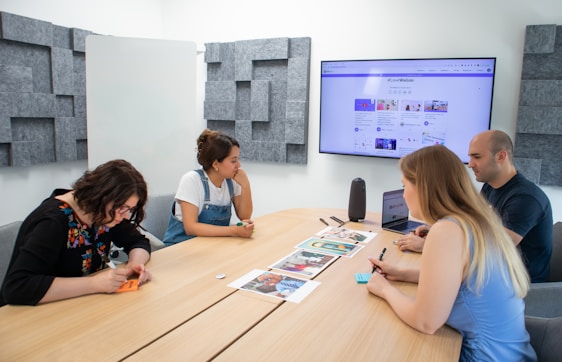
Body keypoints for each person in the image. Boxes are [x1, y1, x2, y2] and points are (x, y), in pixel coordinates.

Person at [367, 145, 536, 361]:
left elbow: (426, 322)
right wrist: (402, 273)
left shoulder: (447, 231)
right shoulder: (477, 221)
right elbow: (464, 278)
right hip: (515, 354)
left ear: (423, 187)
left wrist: (385, 289)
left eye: (404, 185)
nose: (403, 194)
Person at [396, 130, 553, 282]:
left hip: (516, 285)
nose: (470, 164)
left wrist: (430, 246)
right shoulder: (490, 186)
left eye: (476, 157)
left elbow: (493, 250)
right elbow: (476, 229)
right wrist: (437, 234)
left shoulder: (525, 199)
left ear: (501, 156)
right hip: (488, 273)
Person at [1, 159, 152, 306]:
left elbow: (138, 242)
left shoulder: (106, 213)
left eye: (130, 210)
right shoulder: (52, 222)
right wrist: (93, 284)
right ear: (102, 196)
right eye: (123, 208)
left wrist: (134, 263)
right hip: (41, 316)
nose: (126, 215)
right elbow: (17, 287)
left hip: (84, 306)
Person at [163, 129, 254, 246]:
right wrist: (234, 231)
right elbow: (191, 228)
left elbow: (244, 217)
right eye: (233, 161)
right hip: (181, 246)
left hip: (211, 245)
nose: (239, 165)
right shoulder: (192, 180)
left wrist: (245, 185)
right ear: (216, 164)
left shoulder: (231, 181)